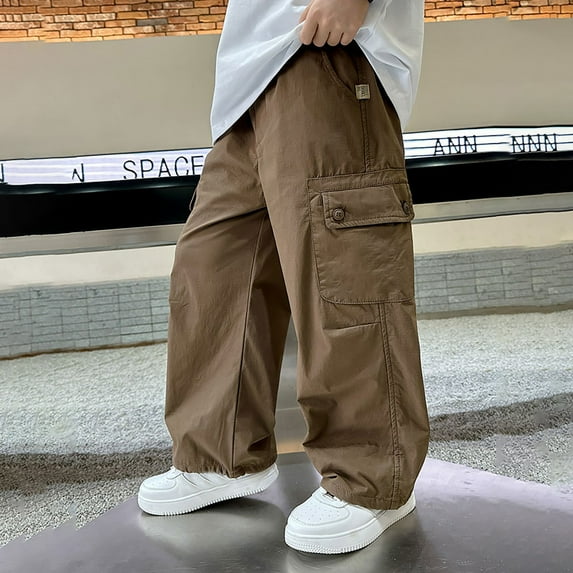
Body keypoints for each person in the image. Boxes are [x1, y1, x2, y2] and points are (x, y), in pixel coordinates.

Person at [138, 0, 430, 555]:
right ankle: (221, 453)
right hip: (246, 81)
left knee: (343, 269)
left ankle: (374, 477)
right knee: (213, 271)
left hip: (327, 48)